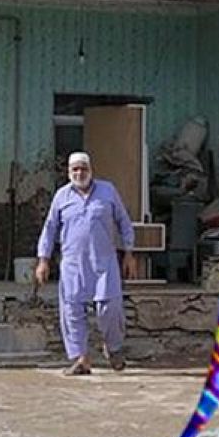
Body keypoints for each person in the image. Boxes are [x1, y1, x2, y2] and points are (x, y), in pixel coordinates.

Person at [36, 152, 136, 375]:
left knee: (110, 308)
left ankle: (113, 348)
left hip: (104, 262)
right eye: (75, 169)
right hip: (73, 264)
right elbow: (50, 229)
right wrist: (43, 260)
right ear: (69, 172)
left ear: (91, 170)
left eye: (83, 168)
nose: (79, 173)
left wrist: (129, 253)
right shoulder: (62, 197)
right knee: (72, 310)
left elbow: (123, 222)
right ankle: (81, 359)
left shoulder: (107, 191)